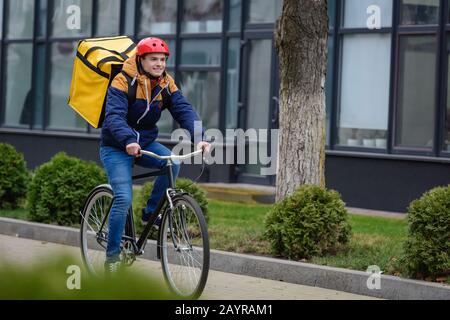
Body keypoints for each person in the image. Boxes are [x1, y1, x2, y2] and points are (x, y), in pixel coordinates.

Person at [100, 37, 211, 272]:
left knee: (171, 164)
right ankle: (111, 258)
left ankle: (150, 212)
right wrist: (128, 140)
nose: (159, 63)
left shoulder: (165, 83)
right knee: (123, 198)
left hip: (146, 143)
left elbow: (184, 109)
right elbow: (113, 117)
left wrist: (199, 136)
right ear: (141, 60)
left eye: (162, 59)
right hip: (116, 148)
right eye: (153, 59)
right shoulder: (122, 81)